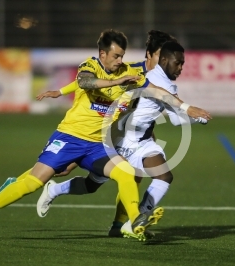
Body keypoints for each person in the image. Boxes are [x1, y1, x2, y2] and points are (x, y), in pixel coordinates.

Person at [0, 29, 212, 241]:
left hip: (98, 145)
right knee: (34, 183)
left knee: (126, 174)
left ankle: (135, 222)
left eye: (122, 56)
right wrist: (73, 89)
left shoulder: (128, 73)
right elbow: (85, 83)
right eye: (115, 56)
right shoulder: (90, 65)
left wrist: (187, 108)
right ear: (103, 54)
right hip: (69, 137)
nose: (119, 60)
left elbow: (159, 92)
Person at [37, 41, 208, 240]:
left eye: (182, 63)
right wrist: (61, 92)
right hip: (115, 140)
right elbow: (93, 84)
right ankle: (53, 189)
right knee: (91, 184)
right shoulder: (142, 77)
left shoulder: (168, 85)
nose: (181, 68)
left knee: (161, 176)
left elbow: (176, 118)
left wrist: (197, 117)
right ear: (159, 58)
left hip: (141, 143)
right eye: (178, 63)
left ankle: (133, 222)